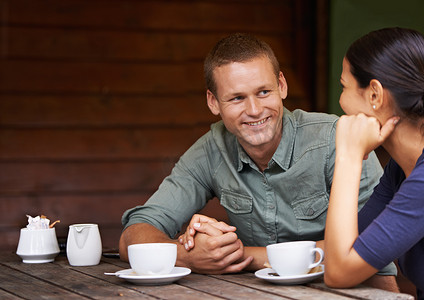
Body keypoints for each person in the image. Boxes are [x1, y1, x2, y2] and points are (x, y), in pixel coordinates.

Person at [119, 33, 397, 289]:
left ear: (281, 85)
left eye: (263, 92)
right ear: (213, 102)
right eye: (237, 98)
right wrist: (189, 256)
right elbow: (135, 234)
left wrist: (238, 255)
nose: (254, 110)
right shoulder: (210, 151)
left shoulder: (336, 140)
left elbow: (370, 249)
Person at [324, 27, 424, 299]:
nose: (340, 101)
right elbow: (344, 248)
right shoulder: (402, 166)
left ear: (374, 95)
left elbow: (339, 272)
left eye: (344, 87)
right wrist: (235, 254)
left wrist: (348, 155)